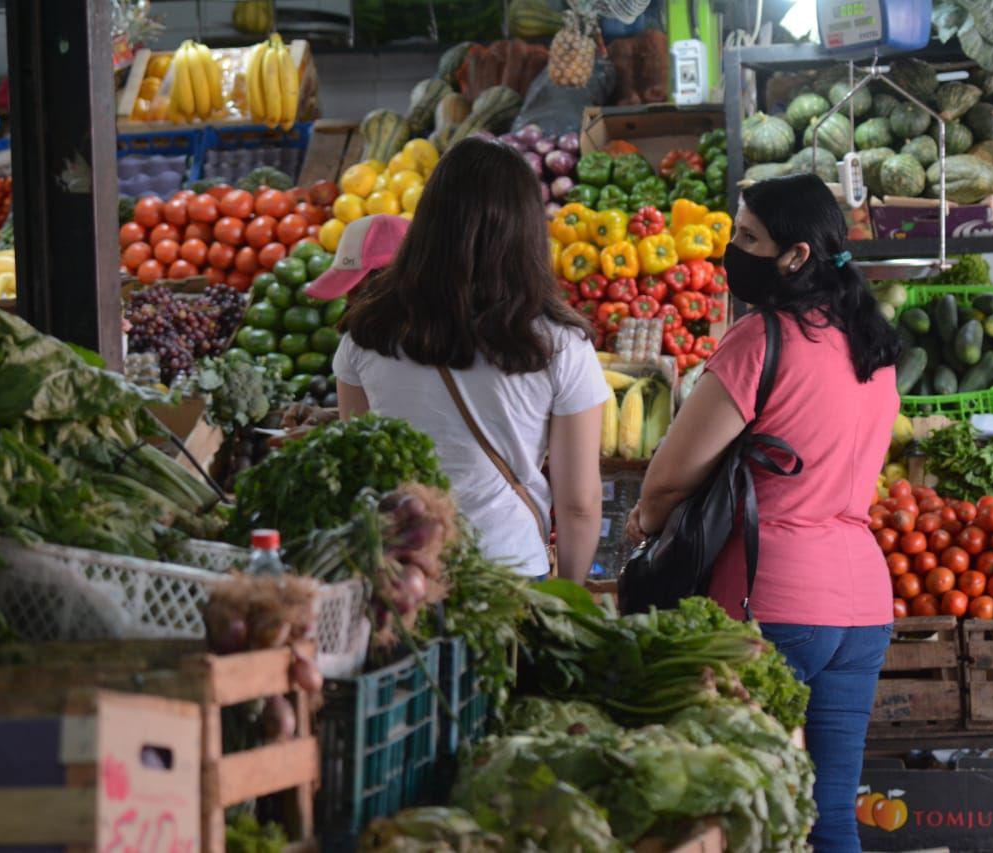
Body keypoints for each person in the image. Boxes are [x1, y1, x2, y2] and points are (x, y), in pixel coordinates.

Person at [625, 173, 902, 851]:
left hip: (772, 599)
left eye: (748, 237)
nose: (733, 248)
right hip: (863, 605)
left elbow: (667, 480)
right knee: (830, 812)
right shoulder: (874, 348)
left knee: (745, 816)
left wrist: (642, 525)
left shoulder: (762, 339)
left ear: (796, 255)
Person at [333, 138, 607, 581]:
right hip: (509, 570)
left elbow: (362, 469)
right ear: (527, 230)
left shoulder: (366, 333)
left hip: (403, 572)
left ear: (428, 222)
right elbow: (579, 504)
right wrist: (570, 599)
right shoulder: (559, 344)